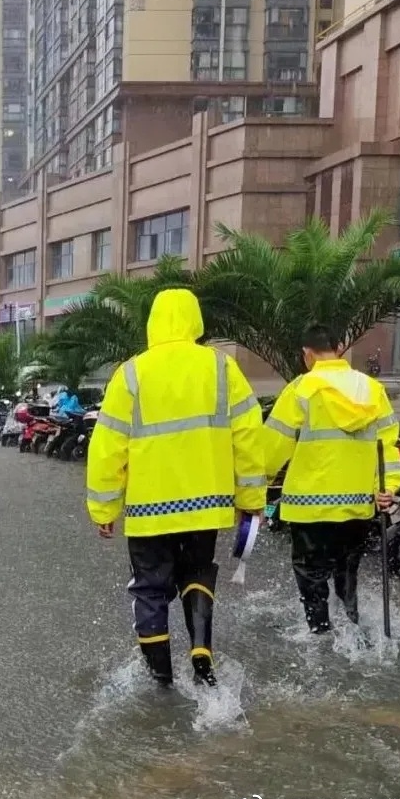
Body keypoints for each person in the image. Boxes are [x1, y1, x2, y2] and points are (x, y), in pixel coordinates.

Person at [86, 289, 265, 687]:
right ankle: (201, 653)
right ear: (195, 320)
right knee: (198, 573)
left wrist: (104, 509)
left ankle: (160, 680)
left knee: (150, 590)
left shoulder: (131, 373)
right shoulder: (221, 367)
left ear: (153, 322)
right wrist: (251, 500)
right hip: (205, 507)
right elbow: (249, 436)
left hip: (149, 512)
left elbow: (106, 446)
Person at [262, 325, 400, 634]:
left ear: (307, 354)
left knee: (311, 572)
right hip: (357, 507)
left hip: (309, 506)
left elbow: (274, 443)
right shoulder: (370, 389)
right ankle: (350, 626)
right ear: (338, 348)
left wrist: (258, 480)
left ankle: (320, 632)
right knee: (347, 568)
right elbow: (387, 445)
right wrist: (388, 487)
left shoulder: (302, 387)